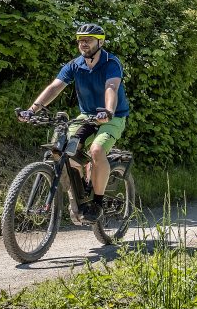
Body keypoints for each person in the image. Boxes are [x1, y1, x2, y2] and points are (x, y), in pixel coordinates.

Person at [21, 23, 130, 223]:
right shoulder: (74, 65)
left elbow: (111, 87)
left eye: (88, 40)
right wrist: (32, 110)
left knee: (97, 150)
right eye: (80, 40)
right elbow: (55, 87)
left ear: (100, 41)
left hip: (112, 116)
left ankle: (96, 203)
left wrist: (108, 111)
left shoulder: (111, 62)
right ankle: (79, 195)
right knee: (60, 149)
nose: (83, 43)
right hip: (86, 115)